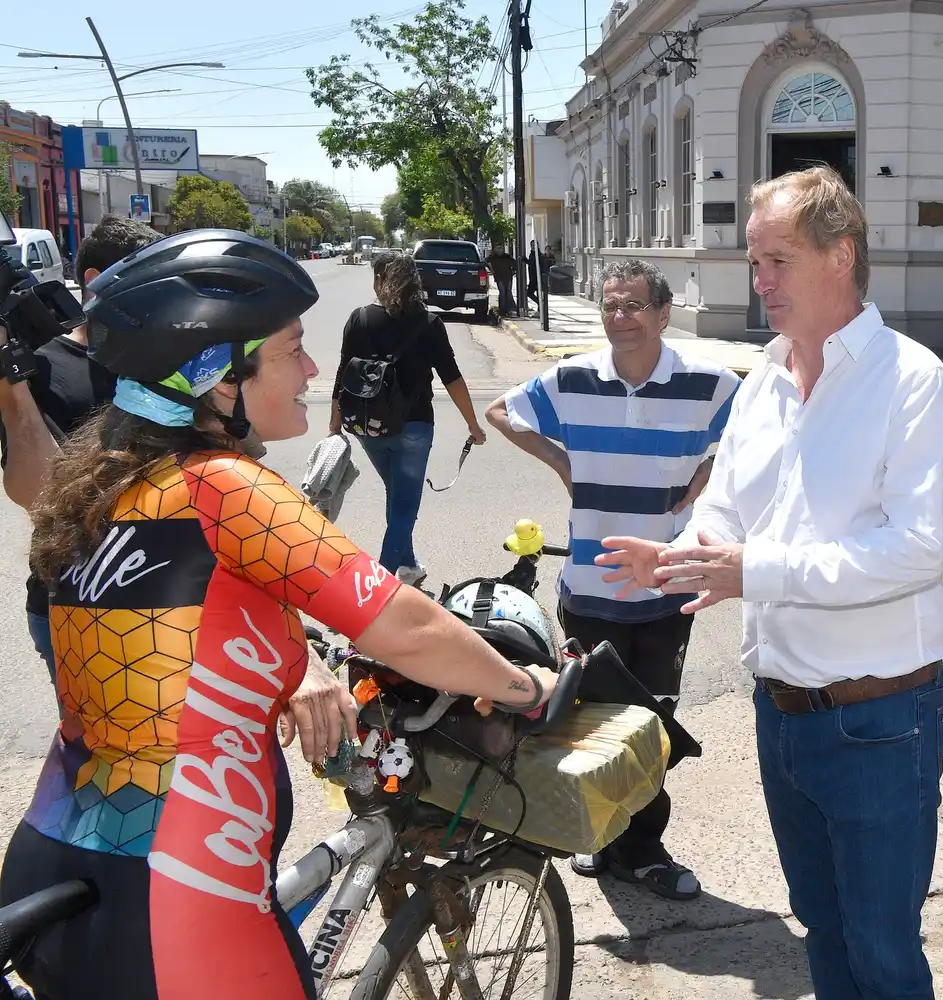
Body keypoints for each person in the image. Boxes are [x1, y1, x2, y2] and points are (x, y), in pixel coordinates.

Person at [0, 230, 557, 1000]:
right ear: (217, 377)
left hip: (59, 853)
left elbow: (193, 631)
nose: (313, 368)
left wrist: (305, 664)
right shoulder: (222, 485)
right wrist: (526, 685)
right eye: (292, 348)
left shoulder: (98, 488)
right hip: (180, 888)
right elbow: (405, 628)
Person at [596, 166, 943, 1000]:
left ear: (840, 255)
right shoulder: (763, 381)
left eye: (777, 261)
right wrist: (683, 553)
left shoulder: (913, 382)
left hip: (880, 720)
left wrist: (751, 571)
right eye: (753, 262)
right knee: (823, 929)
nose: (759, 282)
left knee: (882, 948)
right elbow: (726, 506)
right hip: (783, 713)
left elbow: (915, 550)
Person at [486, 258, 739, 901]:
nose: (618, 318)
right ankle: (600, 837)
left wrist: (707, 478)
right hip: (589, 588)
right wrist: (563, 464)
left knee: (654, 724)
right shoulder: (572, 378)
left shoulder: (708, 384)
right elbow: (500, 412)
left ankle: (644, 848)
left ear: (662, 313)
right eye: (609, 306)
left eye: (632, 306)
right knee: (591, 726)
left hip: (667, 587)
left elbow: (752, 441)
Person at [0, 214, 161, 682]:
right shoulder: (42, 373)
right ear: (95, 282)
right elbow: (39, 495)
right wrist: (10, 384)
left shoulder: (169, 361)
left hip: (173, 593)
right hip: (74, 603)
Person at [329, 251, 488, 586]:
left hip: (367, 426)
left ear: (378, 280)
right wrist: (472, 424)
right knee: (404, 505)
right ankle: (379, 586)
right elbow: (452, 377)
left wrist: (334, 422)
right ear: (416, 282)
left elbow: (343, 373)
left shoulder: (358, 318)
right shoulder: (429, 324)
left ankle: (410, 566)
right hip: (414, 426)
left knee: (397, 494)